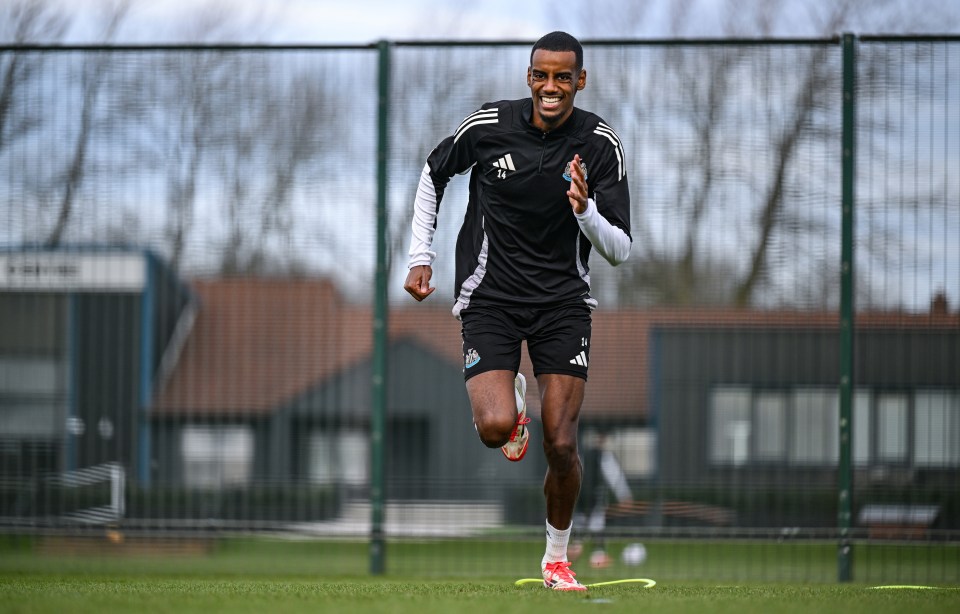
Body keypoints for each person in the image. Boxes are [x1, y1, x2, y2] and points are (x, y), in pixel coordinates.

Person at [403, 31, 632, 591]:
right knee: (494, 427)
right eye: (540, 75)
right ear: (528, 77)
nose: (550, 87)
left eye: (562, 77)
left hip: (563, 304)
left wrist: (584, 211)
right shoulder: (488, 126)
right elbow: (433, 174)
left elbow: (621, 249)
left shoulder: (601, 144)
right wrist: (420, 256)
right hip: (491, 298)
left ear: (580, 81)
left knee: (562, 443)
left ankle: (556, 559)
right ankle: (513, 404)